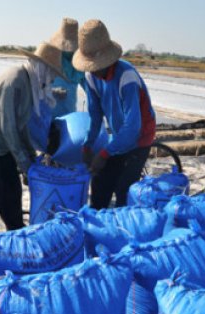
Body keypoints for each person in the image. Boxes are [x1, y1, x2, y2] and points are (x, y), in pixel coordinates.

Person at [0, 42, 64, 232]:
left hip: (5, 145)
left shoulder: (33, 85)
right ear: (42, 68)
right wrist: (25, 165)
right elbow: (8, 127)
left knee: (11, 192)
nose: (52, 80)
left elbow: (23, 127)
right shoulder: (15, 80)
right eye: (51, 75)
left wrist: (31, 159)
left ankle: (16, 230)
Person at [73, 19, 156, 209]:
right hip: (119, 136)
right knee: (101, 183)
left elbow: (133, 127)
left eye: (96, 66)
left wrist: (104, 153)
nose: (93, 70)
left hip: (140, 137)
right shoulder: (91, 77)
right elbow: (95, 116)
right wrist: (88, 145)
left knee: (124, 189)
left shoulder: (126, 77)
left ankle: (123, 231)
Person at [49, 18, 86, 118]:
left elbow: (90, 89)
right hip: (48, 116)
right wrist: (53, 91)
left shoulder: (79, 64)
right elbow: (36, 86)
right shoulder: (50, 58)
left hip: (70, 117)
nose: (69, 50)